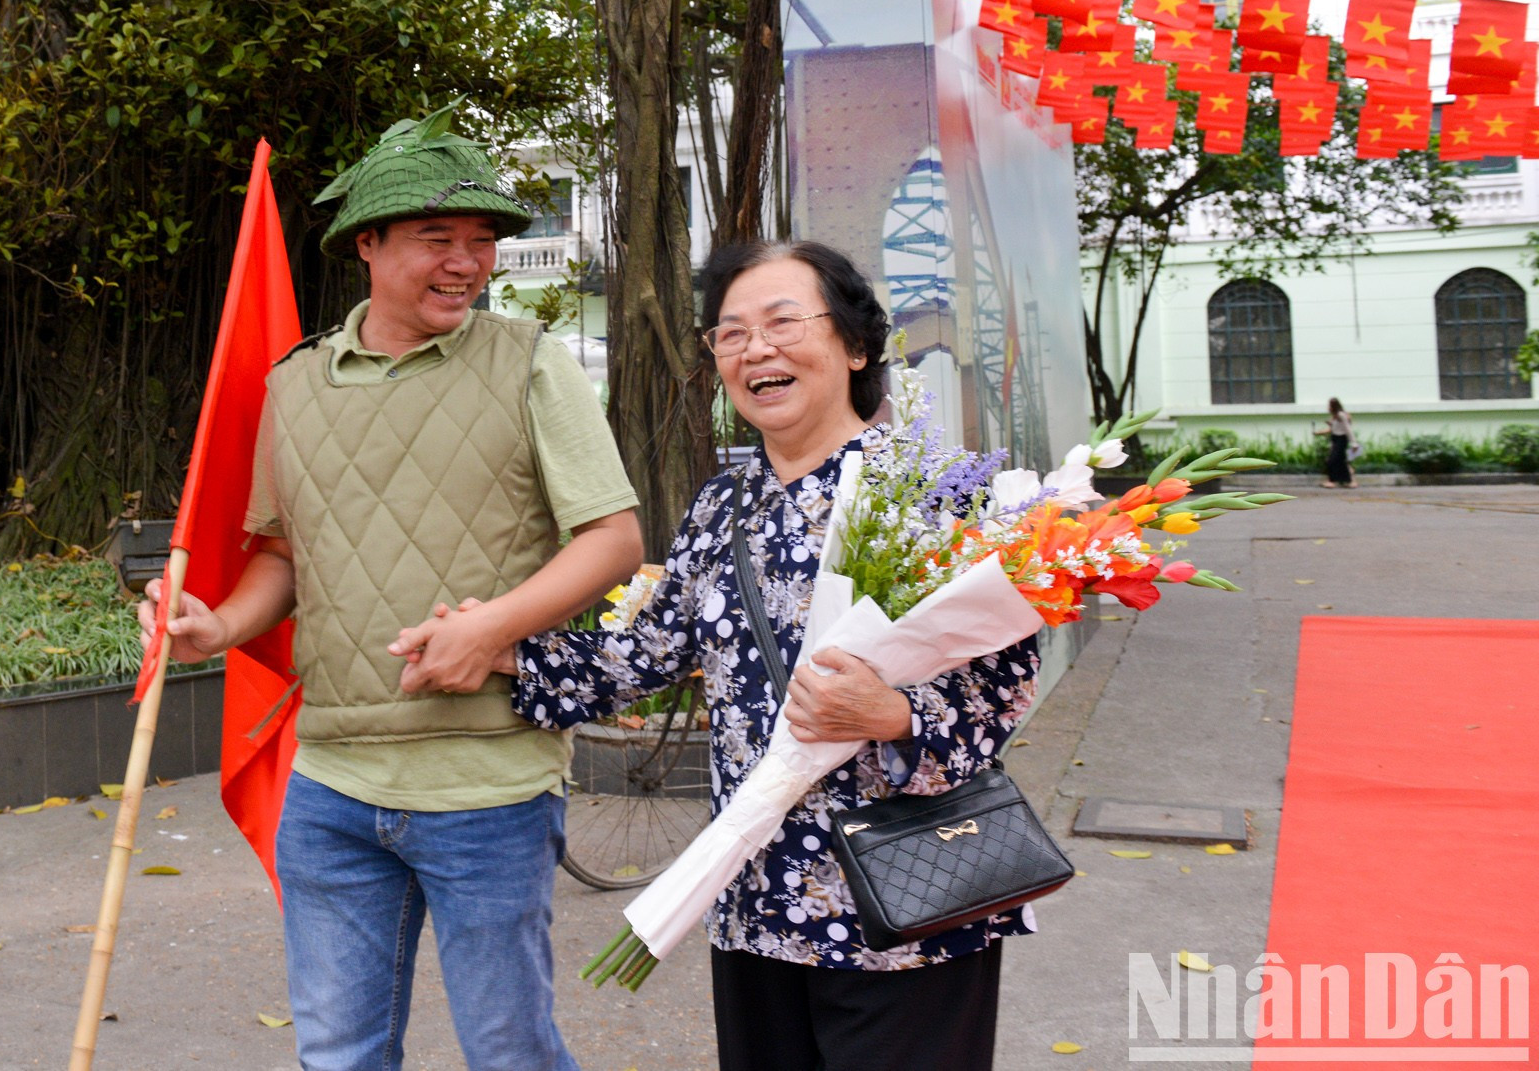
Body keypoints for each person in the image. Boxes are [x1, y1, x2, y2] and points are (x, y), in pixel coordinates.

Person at [139, 105, 643, 1071]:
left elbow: (614, 537)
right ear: (366, 244)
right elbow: (284, 555)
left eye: (483, 241)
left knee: (509, 1051)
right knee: (336, 1053)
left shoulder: (530, 360)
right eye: (436, 239)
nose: (467, 262)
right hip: (329, 782)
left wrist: (489, 625)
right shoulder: (295, 385)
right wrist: (219, 625)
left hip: (488, 780)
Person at [489, 240, 1042, 1070]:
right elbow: (646, 652)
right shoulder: (723, 504)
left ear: (855, 347)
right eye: (731, 332)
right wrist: (512, 654)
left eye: (784, 322)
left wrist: (897, 716)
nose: (756, 348)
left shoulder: (939, 489)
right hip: (758, 897)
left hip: (906, 899)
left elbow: (1007, 682)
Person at [1317, 398, 1357, 488]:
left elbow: (1348, 429)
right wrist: (1327, 426)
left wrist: (1354, 443)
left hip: (1341, 439)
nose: (1328, 408)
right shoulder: (1335, 416)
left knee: (1332, 460)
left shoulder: (1341, 415)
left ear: (1334, 406)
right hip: (1335, 439)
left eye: (1329, 406)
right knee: (1340, 461)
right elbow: (1334, 429)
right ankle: (1348, 481)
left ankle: (1332, 481)